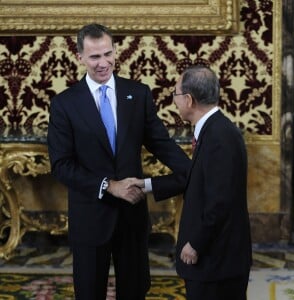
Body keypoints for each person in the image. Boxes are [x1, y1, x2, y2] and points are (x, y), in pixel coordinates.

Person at [47, 23, 191, 300]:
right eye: (95, 57)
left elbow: (161, 143)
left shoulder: (137, 94)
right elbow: (61, 164)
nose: (104, 63)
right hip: (90, 218)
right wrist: (108, 185)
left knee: (135, 292)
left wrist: (194, 171)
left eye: (108, 54)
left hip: (132, 217)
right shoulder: (64, 104)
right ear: (79, 57)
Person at [133, 65, 252, 300]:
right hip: (216, 259)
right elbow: (195, 178)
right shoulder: (213, 130)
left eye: (176, 94)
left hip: (216, 261)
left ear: (189, 100)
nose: (174, 100)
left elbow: (220, 201)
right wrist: (145, 185)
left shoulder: (220, 137)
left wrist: (196, 244)